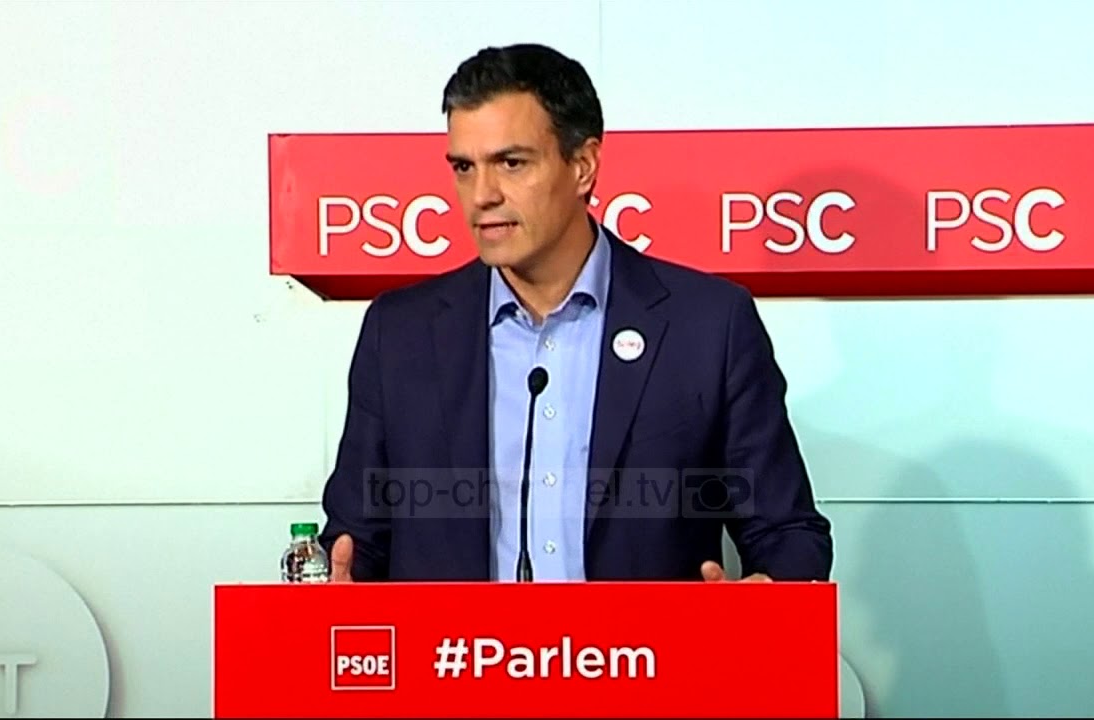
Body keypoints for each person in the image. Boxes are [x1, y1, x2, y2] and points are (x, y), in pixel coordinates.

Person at [319, 43, 832, 583]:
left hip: (644, 642)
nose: (482, 195)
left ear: (583, 167)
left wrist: (768, 592)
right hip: (449, 642)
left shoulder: (707, 325)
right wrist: (335, 587)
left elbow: (788, 533)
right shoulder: (400, 334)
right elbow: (356, 543)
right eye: (464, 167)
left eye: (511, 163)